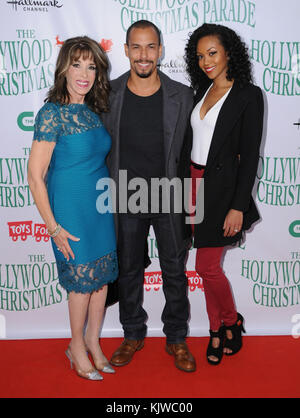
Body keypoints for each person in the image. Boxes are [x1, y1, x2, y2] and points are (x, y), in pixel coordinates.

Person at [102, 20, 196, 373]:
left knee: (174, 270)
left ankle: (176, 338)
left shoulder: (182, 95)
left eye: (150, 46)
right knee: (128, 271)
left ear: (160, 50)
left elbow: (193, 148)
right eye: (136, 47)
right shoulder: (108, 94)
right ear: (126, 50)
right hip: (125, 196)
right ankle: (132, 333)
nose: (144, 55)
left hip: (169, 196)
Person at [27, 36, 118, 380]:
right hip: (69, 209)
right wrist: (53, 226)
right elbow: (35, 177)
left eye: (91, 66)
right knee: (81, 283)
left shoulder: (93, 111)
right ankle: (76, 346)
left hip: (99, 207)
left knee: (100, 282)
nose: (84, 73)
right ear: (64, 68)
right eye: (77, 64)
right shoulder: (51, 113)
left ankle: (94, 342)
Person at [184, 23, 264, 365]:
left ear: (229, 52)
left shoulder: (248, 95)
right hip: (189, 185)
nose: (206, 61)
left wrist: (238, 207)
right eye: (200, 56)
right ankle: (219, 327)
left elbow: (249, 158)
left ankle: (226, 324)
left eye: (212, 53)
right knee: (206, 268)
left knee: (207, 266)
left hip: (222, 193)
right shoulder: (199, 91)